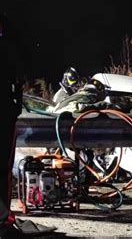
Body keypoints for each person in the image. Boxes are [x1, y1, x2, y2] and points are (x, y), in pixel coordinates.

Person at [1, 13, 56, 236]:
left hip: (4, 110)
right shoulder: (6, 48)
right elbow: (16, 79)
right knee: (2, 167)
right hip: (3, 112)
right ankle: (3, 220)